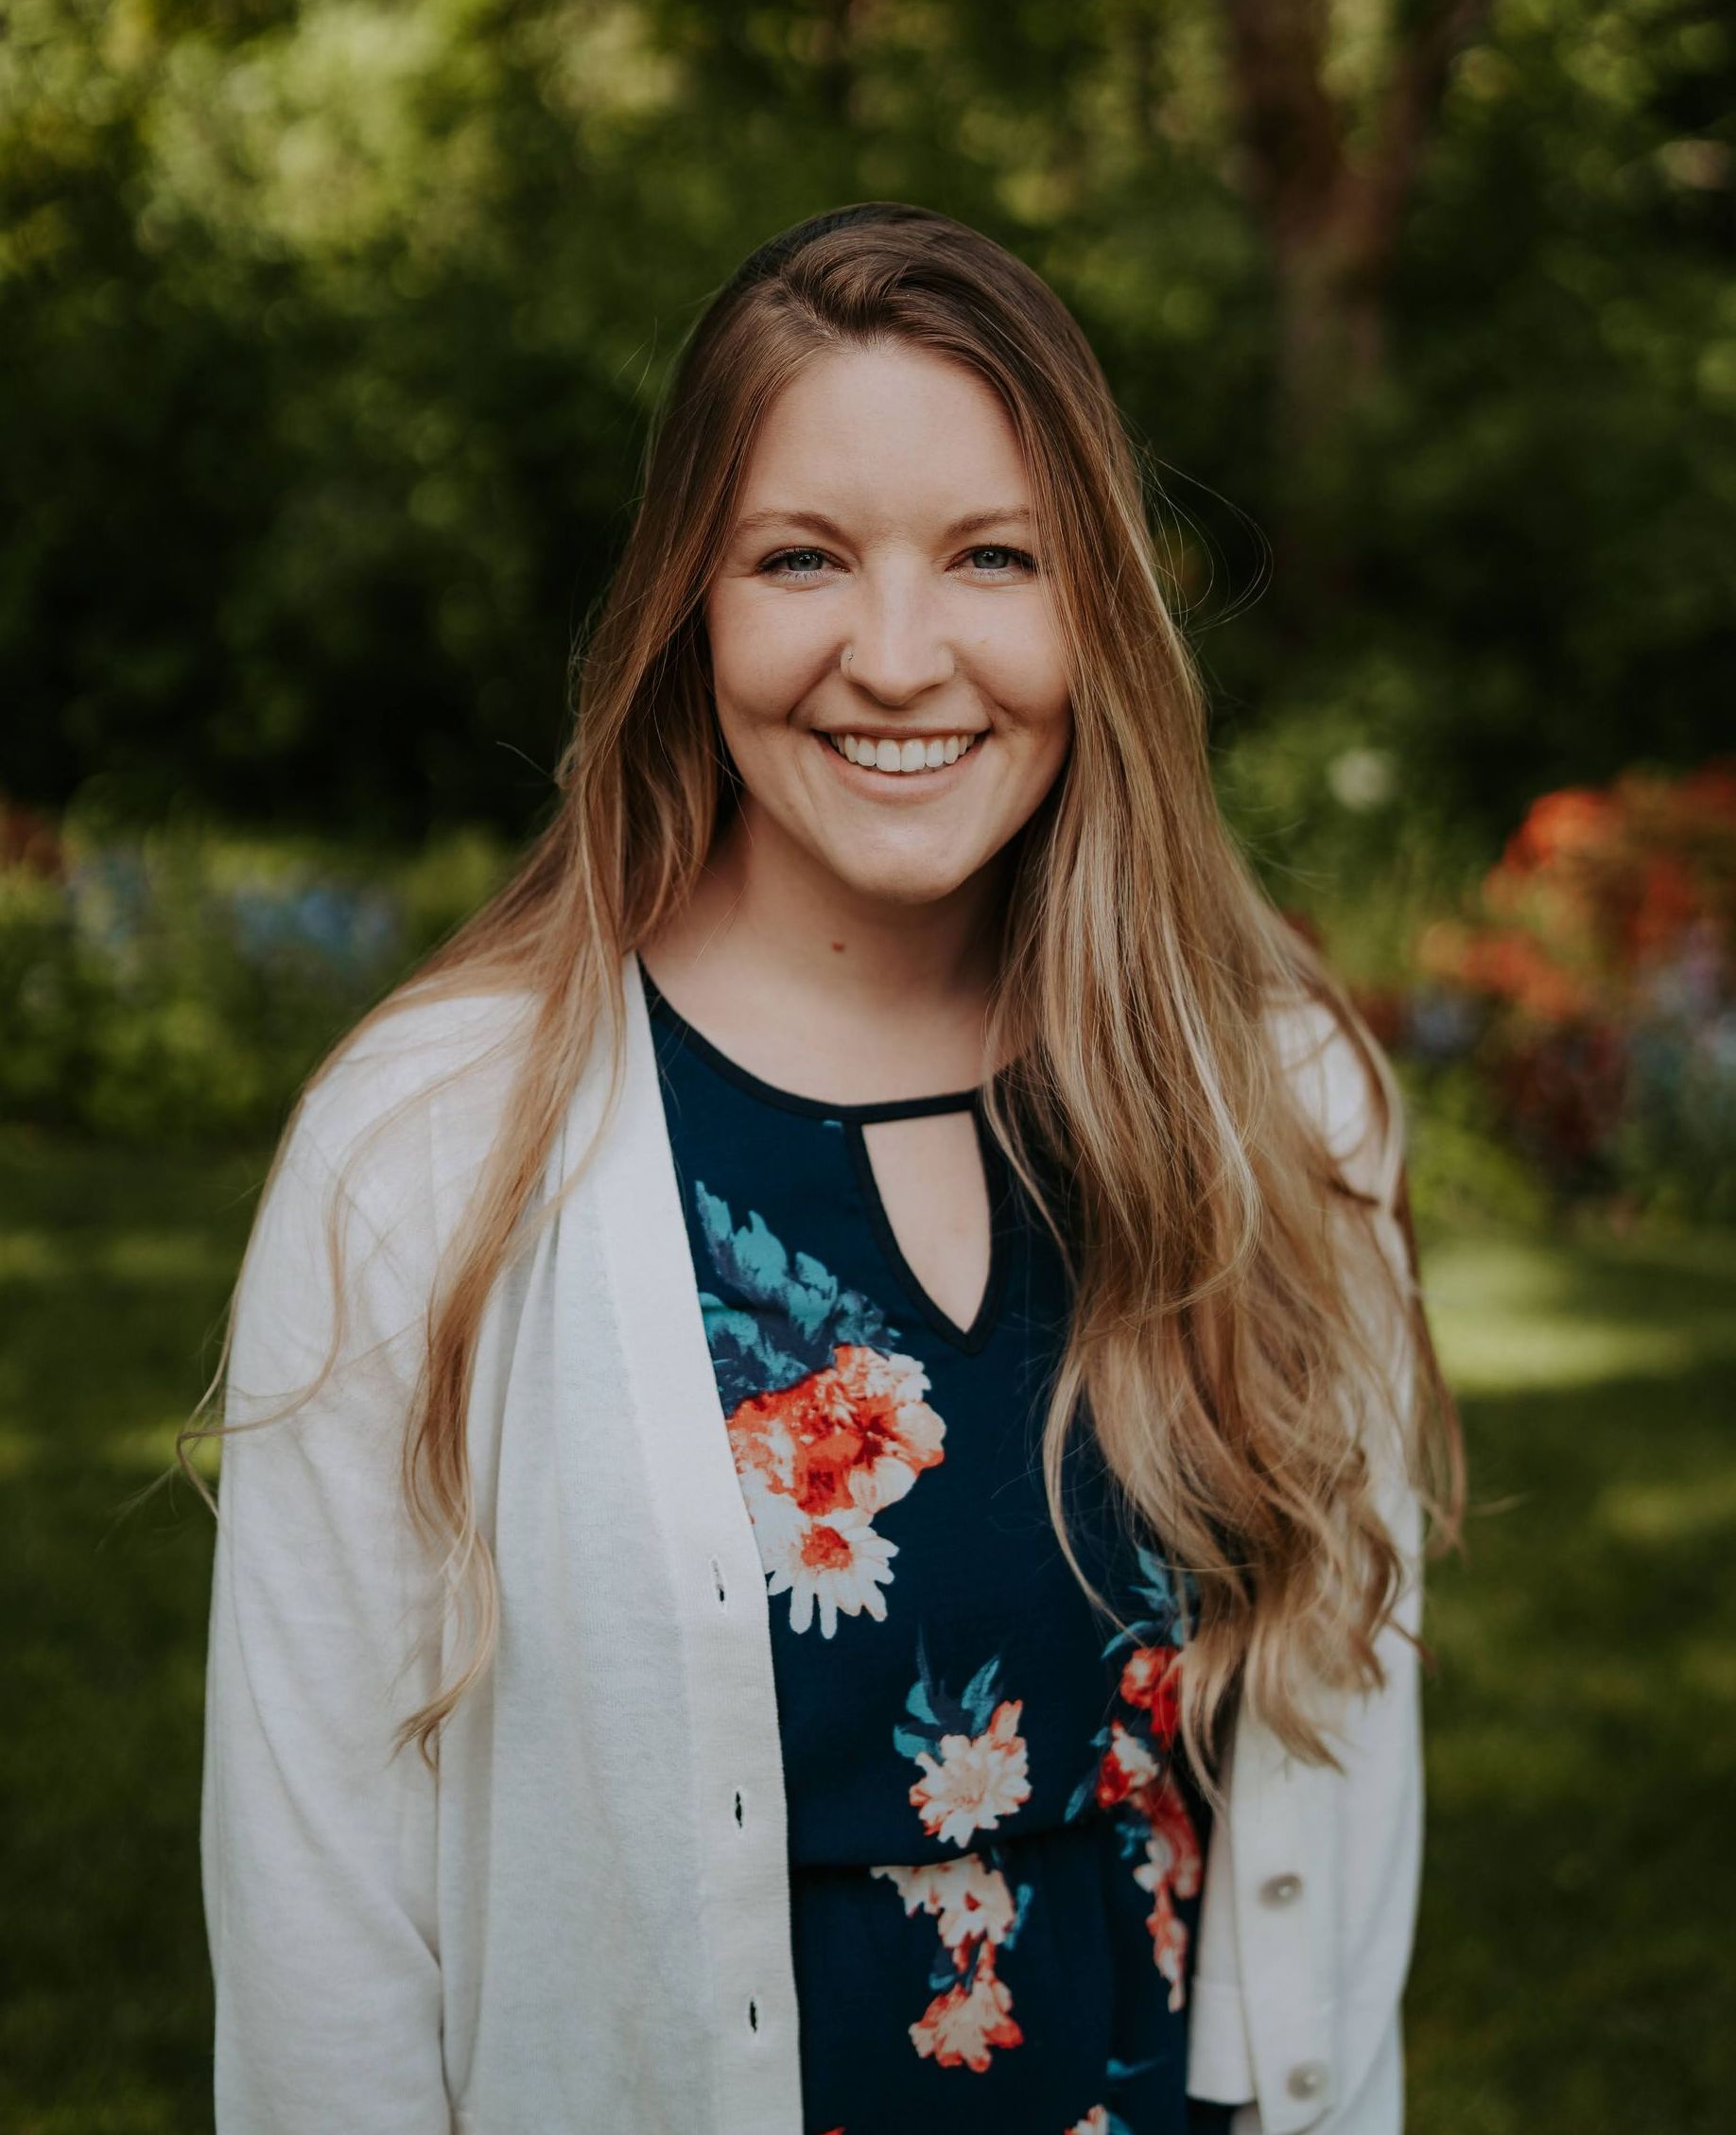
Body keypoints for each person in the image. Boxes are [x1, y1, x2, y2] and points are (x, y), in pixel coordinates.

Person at [191, 202, 1463, 2135]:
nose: (895, 656)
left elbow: (1339, 1803)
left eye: (990, 559)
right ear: (688, 604)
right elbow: (319, 1939)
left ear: (1097, 607)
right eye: (801, 558)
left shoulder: (1271, 1105)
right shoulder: (434, 1148)